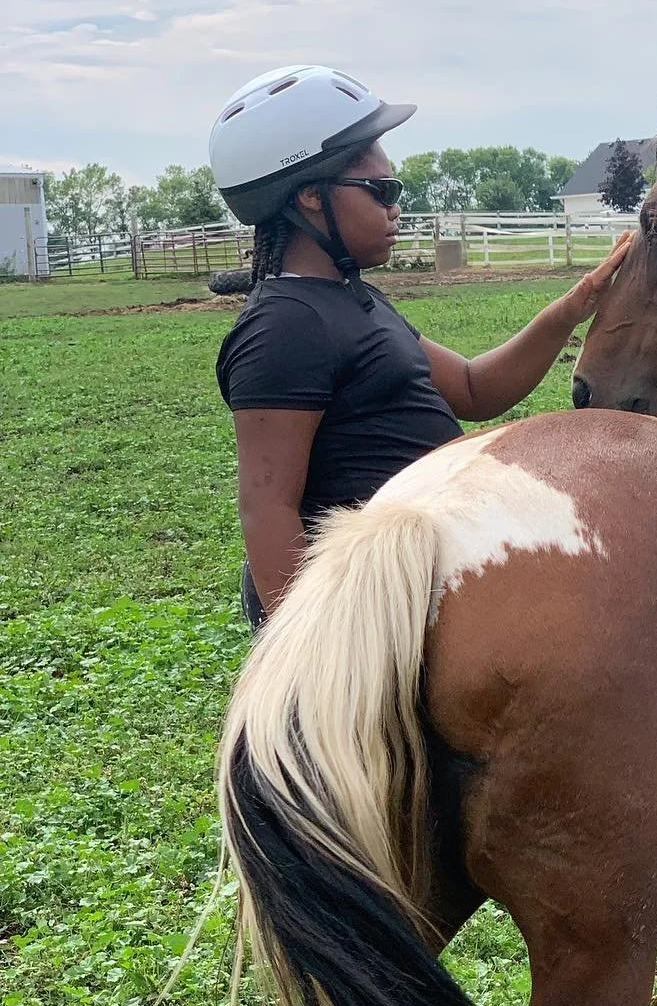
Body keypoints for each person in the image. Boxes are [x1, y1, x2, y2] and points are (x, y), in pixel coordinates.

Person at [208, 64, 632, 626]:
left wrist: (574, 305)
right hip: (371, 609)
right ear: (311, 196)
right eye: (381, 191)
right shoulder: (283, 328)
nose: (395, 207)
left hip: (421, 584)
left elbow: (475, 389)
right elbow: (268, 510)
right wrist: (309, 657)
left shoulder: (352, 299)